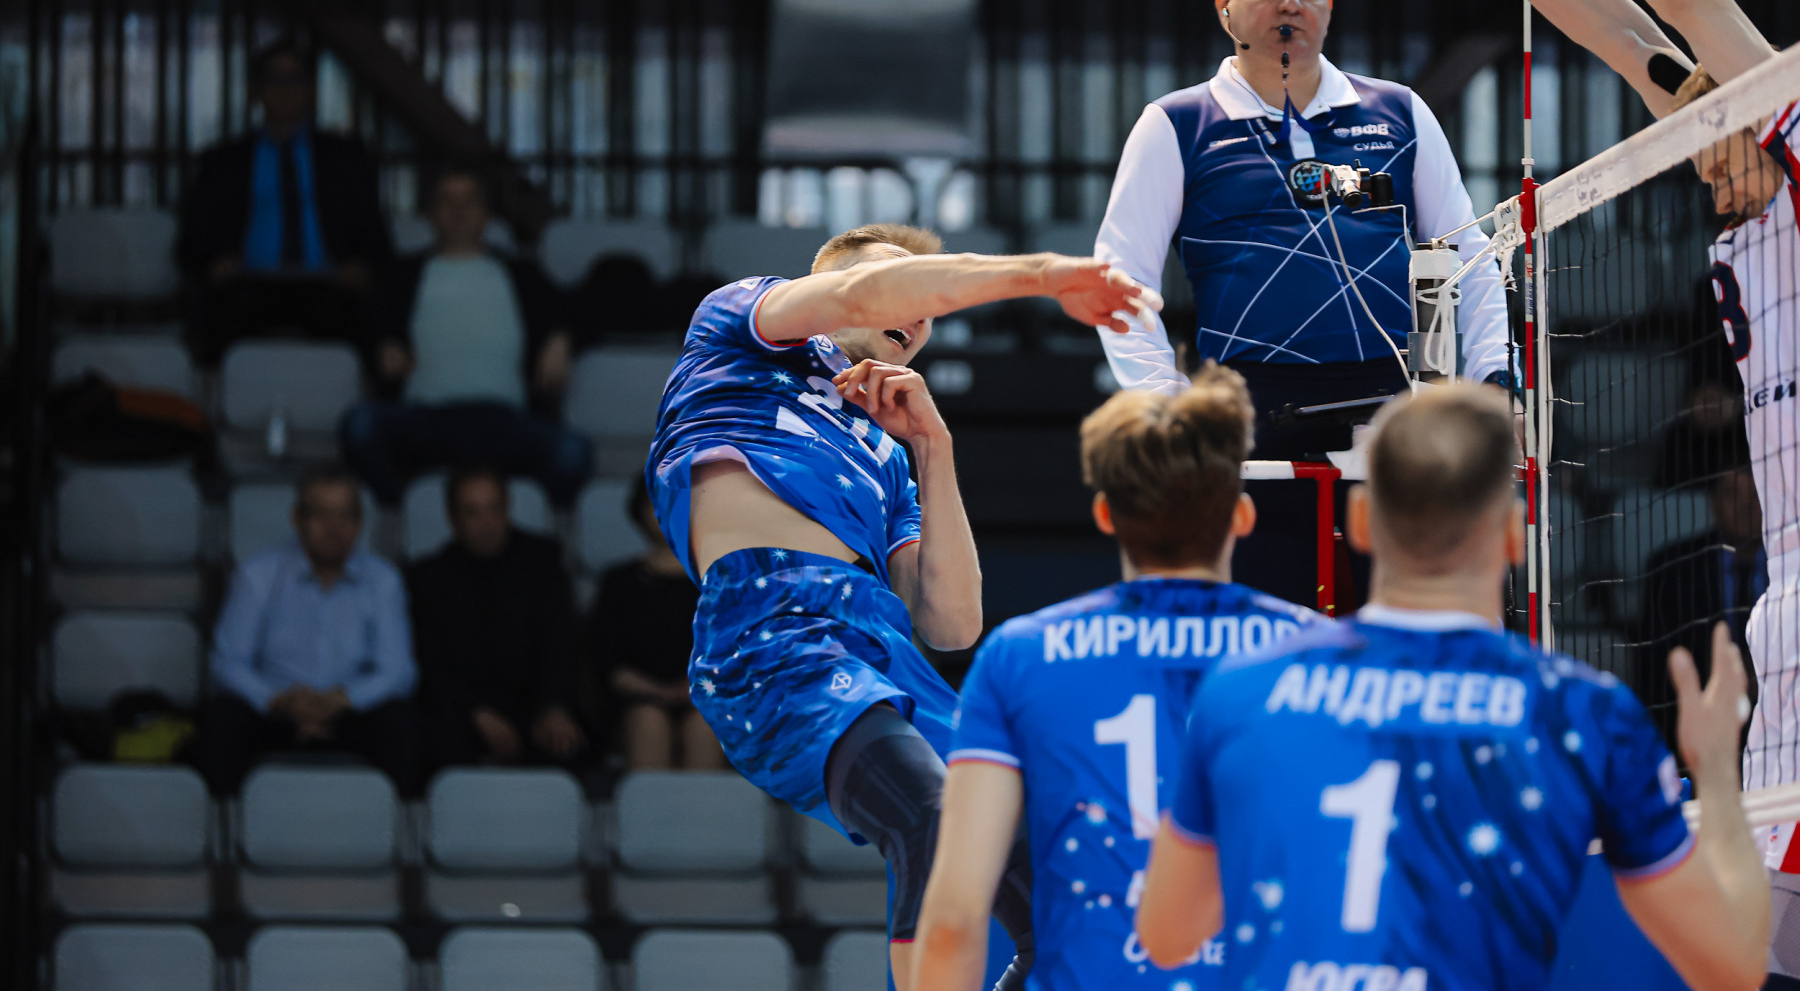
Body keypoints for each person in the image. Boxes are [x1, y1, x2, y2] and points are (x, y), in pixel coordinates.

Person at [1385, 0, 1800, 967]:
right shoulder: (1746, 171)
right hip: (1786, 610)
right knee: (1757, 944)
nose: (1702, 142)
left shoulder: (1774, 141)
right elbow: (1633, 36)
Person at [647, 222, 1155, 989]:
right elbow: (865, 294)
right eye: (904, 286)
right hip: (776, 631)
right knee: (936, 820)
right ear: (828, 285)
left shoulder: (887, 453)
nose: (919, 314)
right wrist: (1046, 274)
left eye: (928, 311)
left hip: (888, 658)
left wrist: (931, 445)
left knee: (1067, 886)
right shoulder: (741, 326)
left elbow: (952, 623)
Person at [1135, 386, 1771, 991]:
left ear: (1360, 519)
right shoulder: (1582, 714)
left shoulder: (1243, 692)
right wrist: (1714, 769)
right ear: (1514, 533)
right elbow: (1734, 969)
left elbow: (1166, 936)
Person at [1091, 0, 1512, 608]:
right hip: (1247, 412)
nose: (1290, 3)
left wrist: (1491, 375)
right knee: (1264, 633)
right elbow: (1120, 280)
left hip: (1390, 404)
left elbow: (1469, 253)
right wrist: (1168, 408)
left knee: (1393, 628)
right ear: (1226, 4)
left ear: (1329, 6)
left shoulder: (1399, 112)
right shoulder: (1177, 123)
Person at [910, 364, 1320, 991]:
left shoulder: (1020, 657)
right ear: (1241, 515)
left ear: (1105, 514)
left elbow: (953, 919)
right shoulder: (1319, 657)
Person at [338, 166, 593, 505]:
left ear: (488, 215)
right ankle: (406, 513)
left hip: (505, 422)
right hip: (424, 420)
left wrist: (562, 338)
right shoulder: (399, 276)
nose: (458, 210)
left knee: (573, 452)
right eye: (447, 201)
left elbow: (585, 314)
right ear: (429, 215)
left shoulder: (523, 274)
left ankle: (505, 517)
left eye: (469, 201)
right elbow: (363, 327)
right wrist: (381, 348)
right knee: (360, 427)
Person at [199, 465, 420, 795]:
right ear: (296, 518)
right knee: (222, 720)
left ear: (360, 522)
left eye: (345, 515)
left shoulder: (383, 580)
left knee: (403, 724)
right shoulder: (258, 574)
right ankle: (225, 823)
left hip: (350, 712)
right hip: (275, 711)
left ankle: (399, 825)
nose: (334, 527)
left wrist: (343, 699)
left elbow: (398, 671)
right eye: (321, 514)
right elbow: (227, 661)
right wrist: (278, 700)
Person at [176, 39, 393, 363]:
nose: (285, 89)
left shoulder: (346, 157)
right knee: (220, 322)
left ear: (310, 90)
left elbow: (375, 234)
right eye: (274, 79)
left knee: (359, 324)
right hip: (247, 285)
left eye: (295, 79)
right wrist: (214, 264)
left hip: (329, 287)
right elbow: (190, 241)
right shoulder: (223, 161)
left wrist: (361, 267)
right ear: (256, 90)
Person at [407, 466, 587, 773]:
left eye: (495, 509)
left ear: (507, 510)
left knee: (567, 746)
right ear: (452, 519)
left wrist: (554, 706)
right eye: (472, 513)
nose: (487, 523)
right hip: (462, 712)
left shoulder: (543, 562)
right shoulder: (429, 578)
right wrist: (475, 713)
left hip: (535, 707)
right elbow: (431, 664)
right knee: (436, 742)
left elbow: (560, 643)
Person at [587, 478, 722, 771]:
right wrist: (656, 691)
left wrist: (692, 688)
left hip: (706, 696)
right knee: (649, 721)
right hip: (636, 701)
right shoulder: (619, 582)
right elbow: (606, 659)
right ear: (639, 512)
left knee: (703, 725)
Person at [1638, 466, 1766, 751]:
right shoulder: (1672, 571)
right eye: (1732, 494)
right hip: (1696, 733)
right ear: (1713, 501)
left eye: (1756, 494)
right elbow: (1653, 675)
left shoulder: (1792, 568)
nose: (1745, 506)